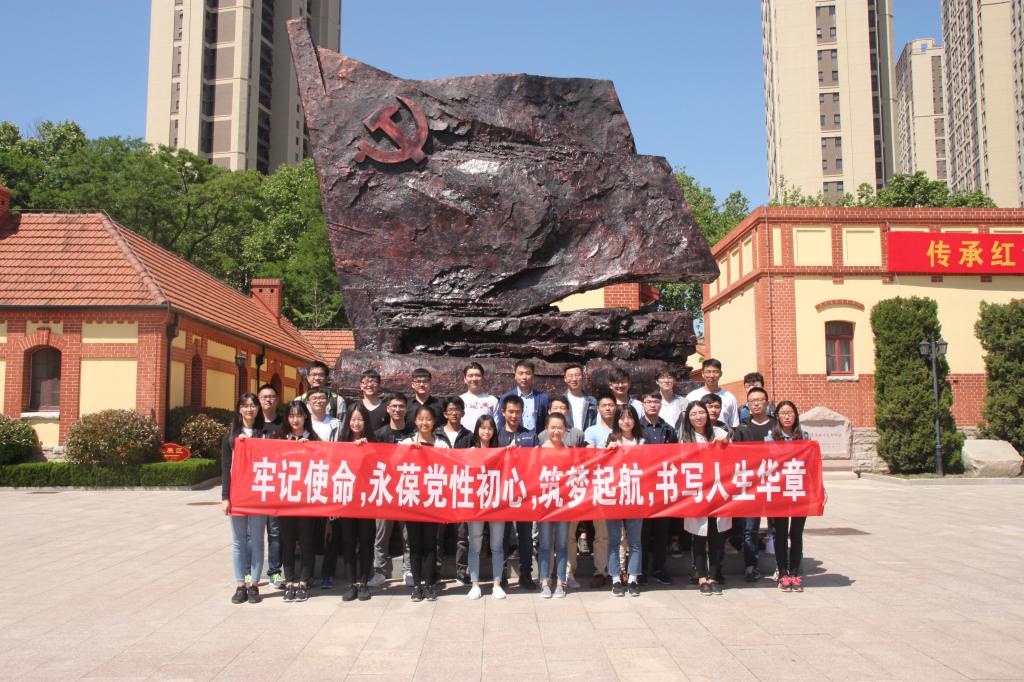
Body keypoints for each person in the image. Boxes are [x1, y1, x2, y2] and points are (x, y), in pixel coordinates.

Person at [679, 401, 730, 595]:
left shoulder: (719, 433)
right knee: (699, 536)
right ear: (688, 418)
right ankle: (701, 577)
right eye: (693, 414)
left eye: (701, 412)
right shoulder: (685, 438)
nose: (698, 417)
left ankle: (714, 576)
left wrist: (723, 444)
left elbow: (733, 456)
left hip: (718, 490)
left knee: (717, 536)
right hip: (697, 492)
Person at [399, 406, 450, 602]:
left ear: (434, 421)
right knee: (414, 545)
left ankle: (429, 585)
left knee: (430, 545)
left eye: (428, 419)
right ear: (415, 421)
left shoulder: (441, 444)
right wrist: (409, 452)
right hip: (412, 501)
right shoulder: (407, 442)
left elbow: (449, 468)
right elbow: (394, 463)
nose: (424, 422)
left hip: (432, 501)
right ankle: (417, 585)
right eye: (420, 419)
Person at [220, 392, 267, 604]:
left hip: (258, 494)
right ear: (239, 409)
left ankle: (254, 584)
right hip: (237, 495)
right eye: (245, 405)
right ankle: (240, 584)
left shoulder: (264, 434)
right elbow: (225, 468)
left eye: (253, 405)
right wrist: (225, 497)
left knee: (257, 540)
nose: (249, 409)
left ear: (258, 409)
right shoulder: (230, 436)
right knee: (239, 541)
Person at [273, 400, 319, 603]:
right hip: (286, 499)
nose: (295, 420)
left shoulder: (314, 438)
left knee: (307, 540)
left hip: (307, 500)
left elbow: (324, 461)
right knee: (288, 541)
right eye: (291, 416)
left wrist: (308, 449)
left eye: (299, 415)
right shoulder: (280, 438)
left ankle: (304, 581)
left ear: (305, 417)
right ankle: (290, 580)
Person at [368, 392, 414, 588]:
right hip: (384, 491)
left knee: (408, 535)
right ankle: (380, 572)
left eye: (401, 406)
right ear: (387, 409)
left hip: (407, 490)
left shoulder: (413, 434)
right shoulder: (379, 435)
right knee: (381, 535)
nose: (397, 410)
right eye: (394, 406)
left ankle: (408, 570)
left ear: (406, 409)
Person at [734, 386, 776, 583]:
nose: (756, 404)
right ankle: (751, 566)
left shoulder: (776, 426)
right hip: (750, 485)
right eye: (752, 401)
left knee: (777, 527)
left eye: (760, 400)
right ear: (748, 405)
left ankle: (781, 566)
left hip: (774, 483)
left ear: (767, 402)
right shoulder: (742, 428)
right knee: (750, 529)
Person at [496, 395, 538, 590]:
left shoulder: (530, 436)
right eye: (510, 412)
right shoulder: (496, 435)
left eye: (517, 412)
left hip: (524, 493)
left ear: (523, 413)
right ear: (503, 412)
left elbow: (537, 462)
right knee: (503, 536)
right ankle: (502, 574)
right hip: (502, 492)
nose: (514, 415)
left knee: (525, 536)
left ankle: (526, 574)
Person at [335, 404, 377, 601]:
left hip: (366, 501)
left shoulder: (373, 443)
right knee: (348, 541)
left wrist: (369, 449)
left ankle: (364, 582)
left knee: (366, 541)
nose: (356, 423)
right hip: (347, 500)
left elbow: (380, 466)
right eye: (353, 419)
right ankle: (351, 582)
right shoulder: (341, 443)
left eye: (360, 419)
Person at [767, 401, 809, 593]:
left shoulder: (805, 436)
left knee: (797, 534)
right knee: (781, 534)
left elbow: (811, 463)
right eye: (783, 413)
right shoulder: (771, 438)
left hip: (799, 489)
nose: (787, 416)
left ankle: (794, 573)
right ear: (777, 416)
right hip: (779, 490)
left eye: (790, 413)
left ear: (796, 415)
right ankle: (783, 573)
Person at [604, 405, 645, 596]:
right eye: (622, 418)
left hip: (636, 496)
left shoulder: (643, 441)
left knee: (635, 541)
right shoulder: (612, 440)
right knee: (614, 539)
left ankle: (634, 578)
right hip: (614, 497)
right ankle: (615, 578)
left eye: (630, 417)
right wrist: (608, 451)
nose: (626, 421)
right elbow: (602, 466)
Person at [637, 391, 678, 586]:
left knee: (662, 531)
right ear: (643, 404)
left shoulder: (668, 429)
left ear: (661, 405)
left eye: (656, 402)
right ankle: (642, 570)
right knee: (642, 533)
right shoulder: (636, 427)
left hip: (663, 485)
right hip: (642, 486)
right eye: (648, 401)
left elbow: (677, 455)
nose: (652, 405)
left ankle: (660, 569)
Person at [466, 414, 507, 600]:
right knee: (475, 544)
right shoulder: (470, 452)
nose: (486, 431)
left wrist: (511, 452)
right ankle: (475, 584)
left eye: (490, 428)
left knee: (497, 545)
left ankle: (497, 584)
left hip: (496, 504)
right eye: (483, 427)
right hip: (475, 505)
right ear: (477, 430)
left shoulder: (500, 452)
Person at [581, 390, 617, 588]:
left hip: (623, 485)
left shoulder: (624, 427)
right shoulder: (591, 431)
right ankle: (600, 571)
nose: (608, 408)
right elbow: (590, 456)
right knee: (602, 533)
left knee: (621, 535)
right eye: (604, 405)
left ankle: (620, 571)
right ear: (598, 408)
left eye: (611, 405)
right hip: (601, 486)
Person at [538, 413, 572, 599]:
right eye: (553, 427)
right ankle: (544, 581)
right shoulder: (538, 451)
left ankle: (560, 582)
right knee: (545, 544)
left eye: (560, 428)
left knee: (562, 544)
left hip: (564, 506)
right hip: (545, 505)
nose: (556, 431)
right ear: (546, 429)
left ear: (565, 429)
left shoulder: (571, 451)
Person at [256, 383, 284, 588]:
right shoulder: (251, 425)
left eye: (272, 396)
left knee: (275, 532)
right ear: (258, 400)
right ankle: (251, 575)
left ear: (277, 400)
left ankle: (275, 572)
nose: (268, 400)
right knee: (252, 535)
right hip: (255, 487)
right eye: (264, 396)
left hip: (276, 487)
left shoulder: (283, 425)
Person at [496, 360, 549, 435]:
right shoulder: (506, 397)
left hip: (536, 439)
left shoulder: (543, 398)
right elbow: (501, 424)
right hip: (513, 439)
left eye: (528, 373)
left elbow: (547, 423)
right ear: (515, 376)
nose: (524, 377)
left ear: (533, 376)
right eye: (520, 373)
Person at [684, 358, 739, 428]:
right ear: (702, 374)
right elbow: (686, 423)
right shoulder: (692, 397)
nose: (711, 375)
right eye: (708, 372)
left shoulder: (730, 398)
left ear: (721, 374)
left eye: (715, 372)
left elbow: (734, 424)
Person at [459, 362, 499, 431]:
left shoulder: (492, 400)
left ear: (483, 378)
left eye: (477, 375)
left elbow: (496, 426)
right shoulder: (460, 400)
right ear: (465, 379)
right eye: (470, 376)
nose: (474, 379)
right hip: (464, 437)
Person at [562, 363, 597, 431]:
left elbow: (595, 424)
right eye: (570, 376)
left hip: (586, 437)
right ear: (565, 378)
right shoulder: (560, 401)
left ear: (583, 377)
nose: (574, 379)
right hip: (567, 437)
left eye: (577, 375)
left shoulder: (592, 401)